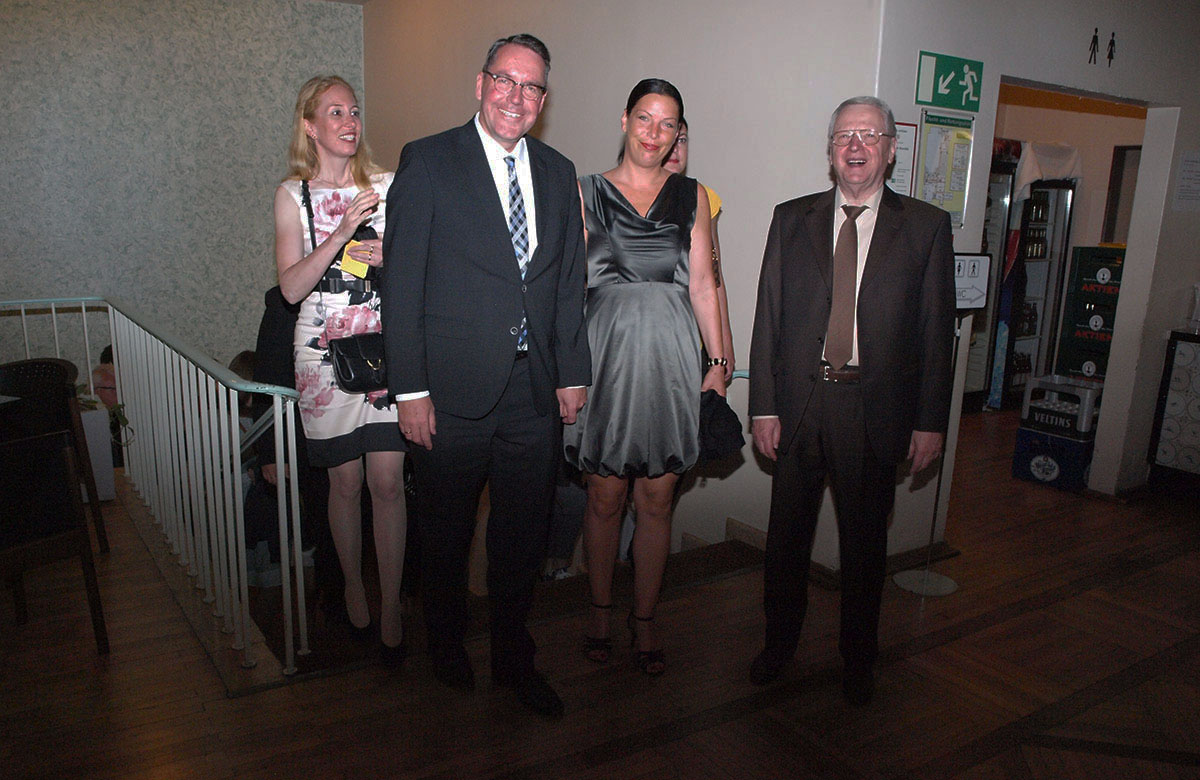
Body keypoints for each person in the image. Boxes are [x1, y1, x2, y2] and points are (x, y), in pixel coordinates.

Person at [379, 34, 589, 719]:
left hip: (534, 392)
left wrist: (572, 370)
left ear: (543, 100)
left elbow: (566, 283)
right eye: (505, 80)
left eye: (530, 87)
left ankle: (513, 657)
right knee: (446, 533)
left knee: (522, 537)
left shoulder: (558, 172)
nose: (515, 97)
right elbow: (401, 285)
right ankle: (445, 643)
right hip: (449, 394)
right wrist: (411, 391)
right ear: (480, 84)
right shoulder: (429, 161)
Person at [747, 96, 955, 704]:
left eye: (869, 135)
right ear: (830, 150)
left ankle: (858, 660)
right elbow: (768, 318)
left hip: (874, 410)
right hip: (799, 405)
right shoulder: (791, 219)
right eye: (844, 136)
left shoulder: (926, 227)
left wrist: (930, 421)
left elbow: (936, 332)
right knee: (785, 543)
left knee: (865, 550)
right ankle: (778, 646)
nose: (856, 146)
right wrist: (763, 405)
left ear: (891, 149)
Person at [564, 79, 726, 677]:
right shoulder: (583, 192)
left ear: (679, 133)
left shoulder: (692, 195)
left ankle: (646, 617)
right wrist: (565, 370)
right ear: (625, 120)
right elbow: (564, 289)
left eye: (668, 123)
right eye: (645, 118)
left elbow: (704, 285)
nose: (655, 133)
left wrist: (718, 364)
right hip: (604, 358)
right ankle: (600, 612)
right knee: (604, 496)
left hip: (672, 361)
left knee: (657, 499)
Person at [273, 76, 408, 664]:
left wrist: (390, 256)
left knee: (388, 483)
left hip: (386, 349)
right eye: (335, 112)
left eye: (354, 111)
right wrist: (344, 231)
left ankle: (393, 601)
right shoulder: (292, 195)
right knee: (345, 484)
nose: (349, 121)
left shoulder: (388, 186)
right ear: (310, 126)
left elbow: (421, 266)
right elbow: (291, 287)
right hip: (323, 355)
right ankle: (353, 586)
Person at [663, 119, 735, 381]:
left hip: (694, 339)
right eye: (670, 139)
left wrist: (724, 343)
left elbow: (714, 275)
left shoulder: (703, 197)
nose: (675, 149)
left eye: (682, 140)